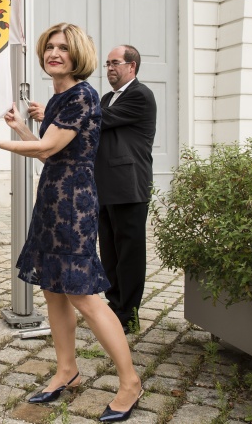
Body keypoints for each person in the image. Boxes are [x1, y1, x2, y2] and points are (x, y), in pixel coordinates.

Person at [0, 23, 143, 422]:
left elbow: (48, 146)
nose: (54, 53)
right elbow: (51, 154)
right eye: (50, 47)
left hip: (73, 204)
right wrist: (20, 128)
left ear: (77, 55)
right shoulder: (59, 97)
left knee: (84, 296)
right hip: (52, 197)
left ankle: (130, 382)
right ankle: (67, 371)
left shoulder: (82, 95)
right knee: (53, 289)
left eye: (63, 48)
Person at [28, 45, 156, 334]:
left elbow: (97, 120)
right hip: (103, 184)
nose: (109, 68)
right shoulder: (107, 97)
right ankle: (115, 307)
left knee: (129, 253)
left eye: (115, 63)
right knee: (109, 251)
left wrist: (54, 113)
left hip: (129, 185)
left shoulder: (140, 95)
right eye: (107, 64)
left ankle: (129, 314)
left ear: (132, 67)